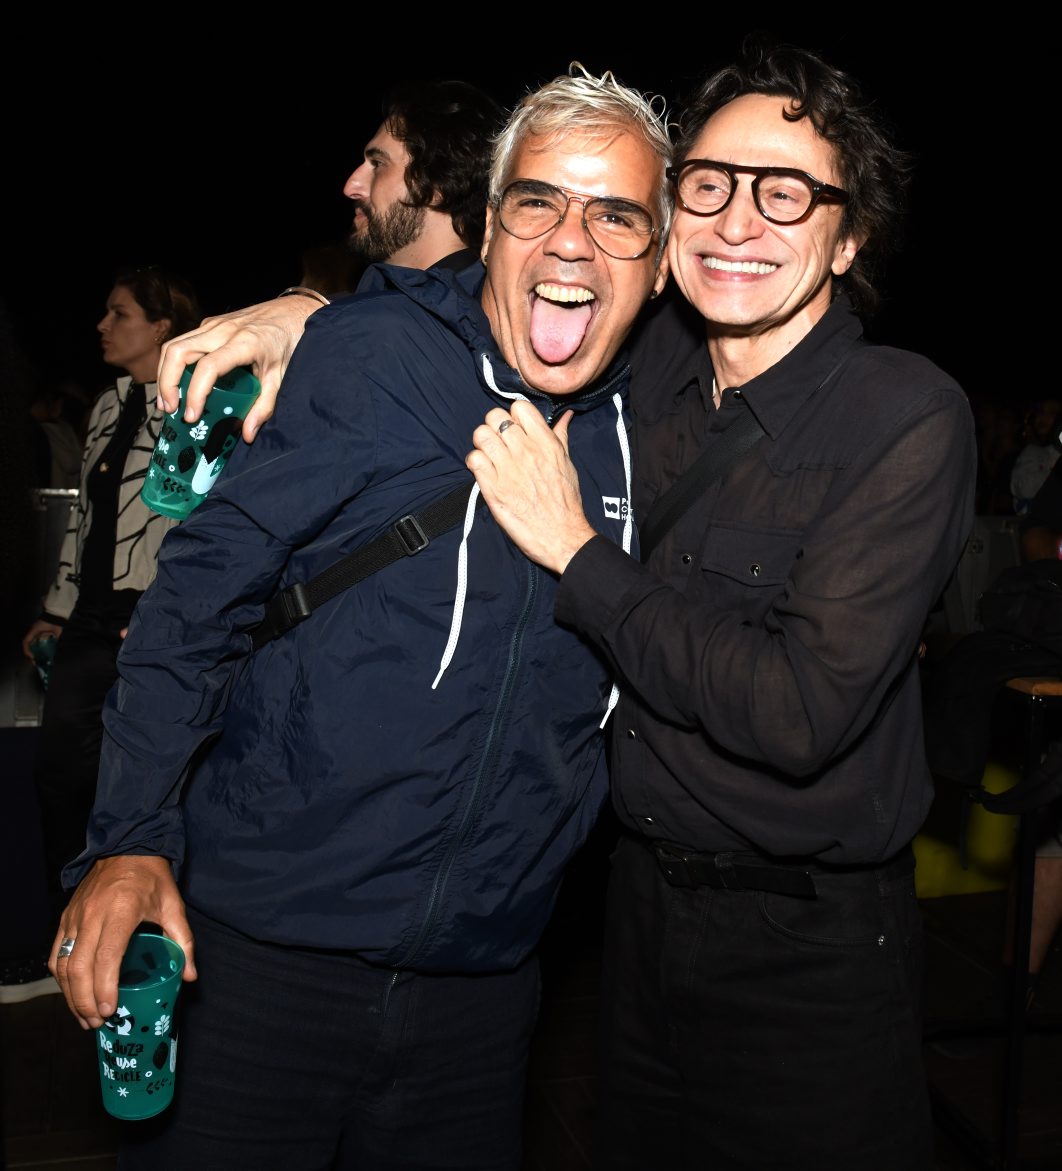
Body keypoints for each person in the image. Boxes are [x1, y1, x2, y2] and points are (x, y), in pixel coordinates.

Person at [52, 65, 671, 1171]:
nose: (573, 240)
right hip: (262, 962)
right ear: (491, 222)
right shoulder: (379, 355)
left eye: (617, 215)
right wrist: (132, 837)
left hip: (484, 991)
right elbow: (196, 602)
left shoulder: (660, 423)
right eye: (539, 201)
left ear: (661, 260)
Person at [465, 40, 976, 1170]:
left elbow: (798, 711)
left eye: (784, 193)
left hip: (808, 952)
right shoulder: (649, 371)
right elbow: (494, 287)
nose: (736, 221)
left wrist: (576, 552)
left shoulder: (904, 414)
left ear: (850, 236)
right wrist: (303, 312)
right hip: (634, 916)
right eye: (707, 185)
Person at [17, 266, 201, 980]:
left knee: (144, 782)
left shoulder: (195, 401)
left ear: (162, 326)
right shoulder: (104, 404)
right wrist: (54, 611)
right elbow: (86, 523)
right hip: (92, 619)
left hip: (149, 617)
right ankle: (69, 934)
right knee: (59, 775)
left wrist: (174, 615)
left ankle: (138, 943)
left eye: (119, 313)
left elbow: (201, 521)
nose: (102, 325)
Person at [162, 77, 504, 442]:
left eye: (378, 163)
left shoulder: (488, 322)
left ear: (438, 184)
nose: (351, 185)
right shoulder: (382, 314)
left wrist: (313, 314)